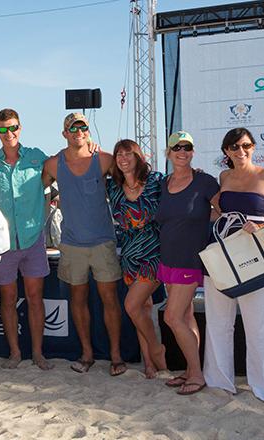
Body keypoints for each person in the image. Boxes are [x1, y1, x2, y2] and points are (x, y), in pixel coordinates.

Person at [203, 127, 264, 402]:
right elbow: (218, 214)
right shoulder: (224, 176)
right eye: (234, 147)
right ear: (226, 152)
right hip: (223, 256)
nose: (240, 151)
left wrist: (262, 226)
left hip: (254, 258)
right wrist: (215, 209)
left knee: (258, 324)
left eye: (245, 145)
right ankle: (219, 381)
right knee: (218, 322)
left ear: (253, 147)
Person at [42, 113, 126, 375]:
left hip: (103, 242)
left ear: (88, 132)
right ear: (64, 133)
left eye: (83, 127)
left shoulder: (104, 160)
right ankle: (87, 354)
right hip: (72, 244)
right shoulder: (54, 165)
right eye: (73, 128)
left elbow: (133, 176)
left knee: (109, 299)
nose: (78, 131)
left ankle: (115, 356)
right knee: (78, 300)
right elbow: (36, 190)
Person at [0, 108, 53, 370]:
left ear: (20, 128)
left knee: (35, 298)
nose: (9, 133)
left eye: (13, 128)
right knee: (7, 299)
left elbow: (66, 164)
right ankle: (15, 353)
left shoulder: (37, 157)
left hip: (33, 239)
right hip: (3, 243)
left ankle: (38, 353)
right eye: (2, 129)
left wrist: (90, 147)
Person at [155, 131, 219, 395]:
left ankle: (197, 373)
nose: (182, 151)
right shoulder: (163, 183)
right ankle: (192, 371)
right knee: (185, 315)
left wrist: (205, 217)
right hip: (167, 258)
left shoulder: (205, 181)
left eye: (187, 147)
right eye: (177, 147)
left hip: (189, 259)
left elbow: (222, 211)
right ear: (168, 153)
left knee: (171, 316)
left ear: (192, 152)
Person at [107, 139, 167, 378]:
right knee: (143, 308)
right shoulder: (112, 186)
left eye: (128, 154)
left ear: (138, 157)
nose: (123, 159)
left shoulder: (156, 180)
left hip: (154, 252)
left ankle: (156, 349)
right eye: (118, 155)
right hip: (129, 254)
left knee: (131, 305)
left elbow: (182, 185)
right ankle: (149, 364)